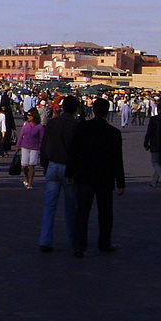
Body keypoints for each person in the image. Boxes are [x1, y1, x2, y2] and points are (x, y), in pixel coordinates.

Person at [66, 98, 125, 257]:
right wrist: (120, 182)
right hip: (105, 177)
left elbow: (73, 152)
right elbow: (117, 159)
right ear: (106, 112)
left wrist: (69, 174)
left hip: (84, 176)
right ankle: (104, 243)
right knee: (105, 213)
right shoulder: (114, 133)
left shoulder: (82, 128)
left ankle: (79, 245)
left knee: (82, 212)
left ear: (93, 110)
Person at [38, 95, 79, 253]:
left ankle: (45, 239)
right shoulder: (75, 125)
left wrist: (44, 164)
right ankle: (73, 239)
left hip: (53, 165)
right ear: (75, 109)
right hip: (69, 168)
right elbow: (77, 151)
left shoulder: (53, 123)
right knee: (71, 207)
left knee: (49, 206)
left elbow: (45, 144)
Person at [16, 107, 44, 190]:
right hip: (25, 146)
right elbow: (21, 135)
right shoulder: (26, 125)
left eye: (29, 115)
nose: (28, 117)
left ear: (34, 116)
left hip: (34, 147)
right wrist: (18, 145)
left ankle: (30, 183)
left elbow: (43, 138)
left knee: (32, 165)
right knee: (24, 166)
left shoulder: (39, 127)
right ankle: (27, 177)